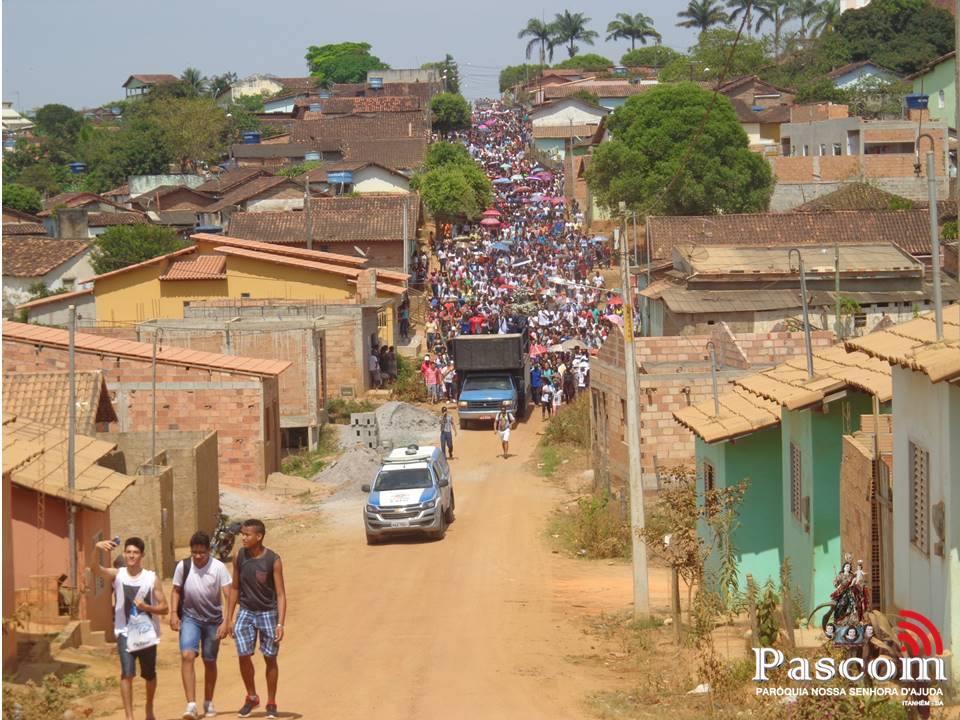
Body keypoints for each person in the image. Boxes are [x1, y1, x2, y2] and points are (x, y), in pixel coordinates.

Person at [91, 537, 168, 720]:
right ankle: (129, 716)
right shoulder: (117, 574)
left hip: (147, 634)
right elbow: (95, 570)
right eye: (128, 552)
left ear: (142, 555)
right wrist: (96, 549)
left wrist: (147, 608)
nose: (131, 556)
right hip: (124, 632)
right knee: (127, 674)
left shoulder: (151, 578)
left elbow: (164, 607)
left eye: (135, 553)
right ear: (124, 554)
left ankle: (149, 708)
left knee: (149, 675)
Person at [226, 520, 287, 719]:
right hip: (246, 611)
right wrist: (229, 618)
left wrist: (280, 624)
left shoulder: (273, 560)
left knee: (270, 658)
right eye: (242, 534)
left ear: (258, 537)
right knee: (243, 655)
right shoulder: (239, 556)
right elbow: (234, 588)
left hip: (268, 613)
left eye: (247, 534)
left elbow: (280, 594)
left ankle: (271, 701)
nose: (243, 538)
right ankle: (251, 696)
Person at [170, 531, 233, 720]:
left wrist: (227, 621)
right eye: (194, 552)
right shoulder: (183, 566)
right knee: (187, 655)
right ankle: (191, 705)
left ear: (209, 551)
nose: (198, 556)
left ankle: (208, 701)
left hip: (213, 620)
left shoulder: (219, 568)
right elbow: (175, 590)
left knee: (209, 660)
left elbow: (229, 596)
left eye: (202, 553)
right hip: (190, 618)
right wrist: (173, 613)